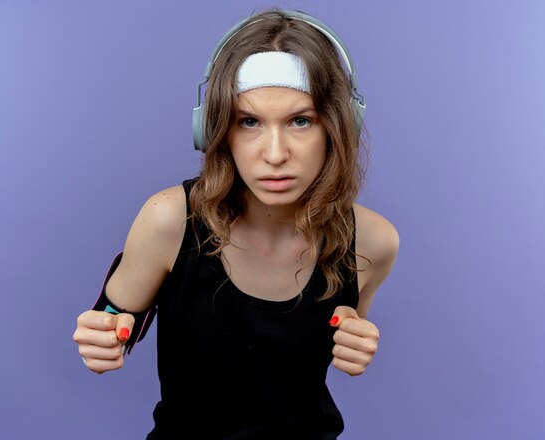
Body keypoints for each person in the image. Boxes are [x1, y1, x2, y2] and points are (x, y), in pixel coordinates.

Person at [73, 8, 399, 439]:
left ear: (338, 128)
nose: (275, 153)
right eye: (249, 122)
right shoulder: (170, 218)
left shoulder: (373, 242)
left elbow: (344, 329)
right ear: (216, 131)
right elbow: (113, 321)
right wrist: (103, 337)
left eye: (300, 121)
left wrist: (356, 343)